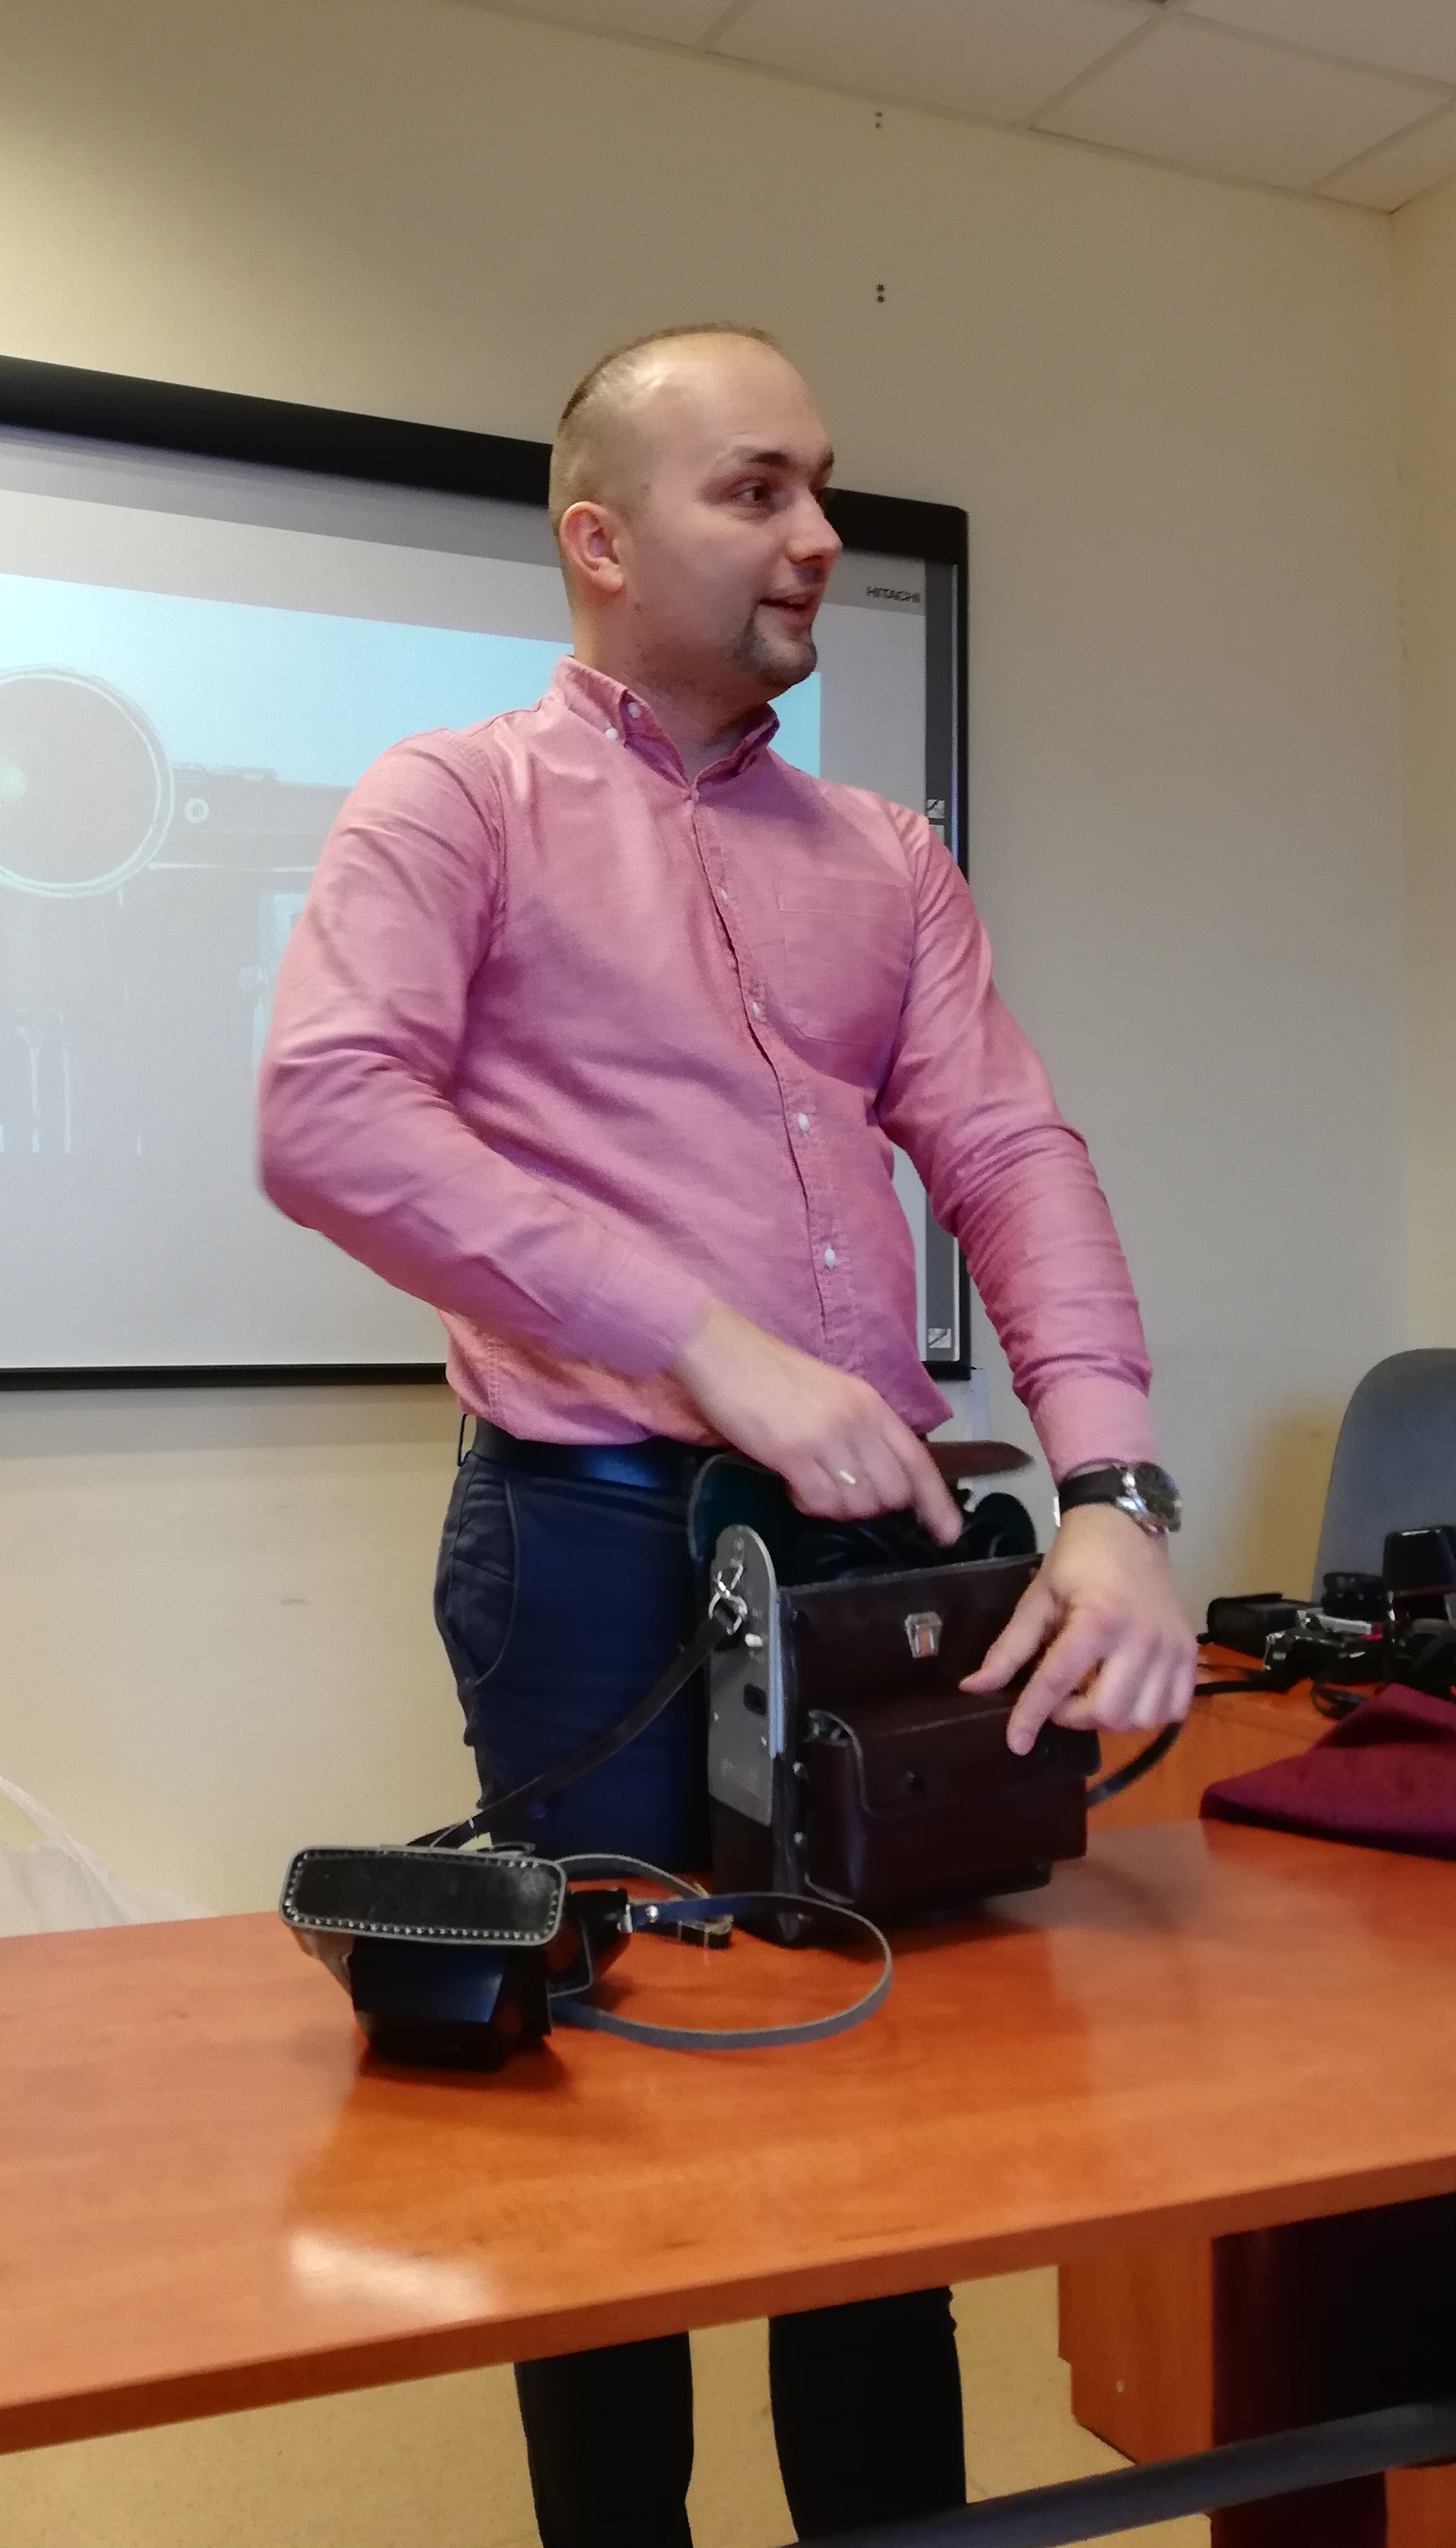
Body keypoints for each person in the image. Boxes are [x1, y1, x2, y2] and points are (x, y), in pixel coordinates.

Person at [257, 324, 1198, 2542]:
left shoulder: (886, 855)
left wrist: (1114, 1488)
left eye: (823, 486)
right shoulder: (454, 800)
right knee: (598, 2114)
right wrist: (706, 1344)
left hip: (866, 1562)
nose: (820, 536)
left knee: (878, 2098)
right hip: (587, 1541)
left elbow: (1010, 1153)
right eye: (756, 490)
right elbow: (327, 1118)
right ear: (601, 540)